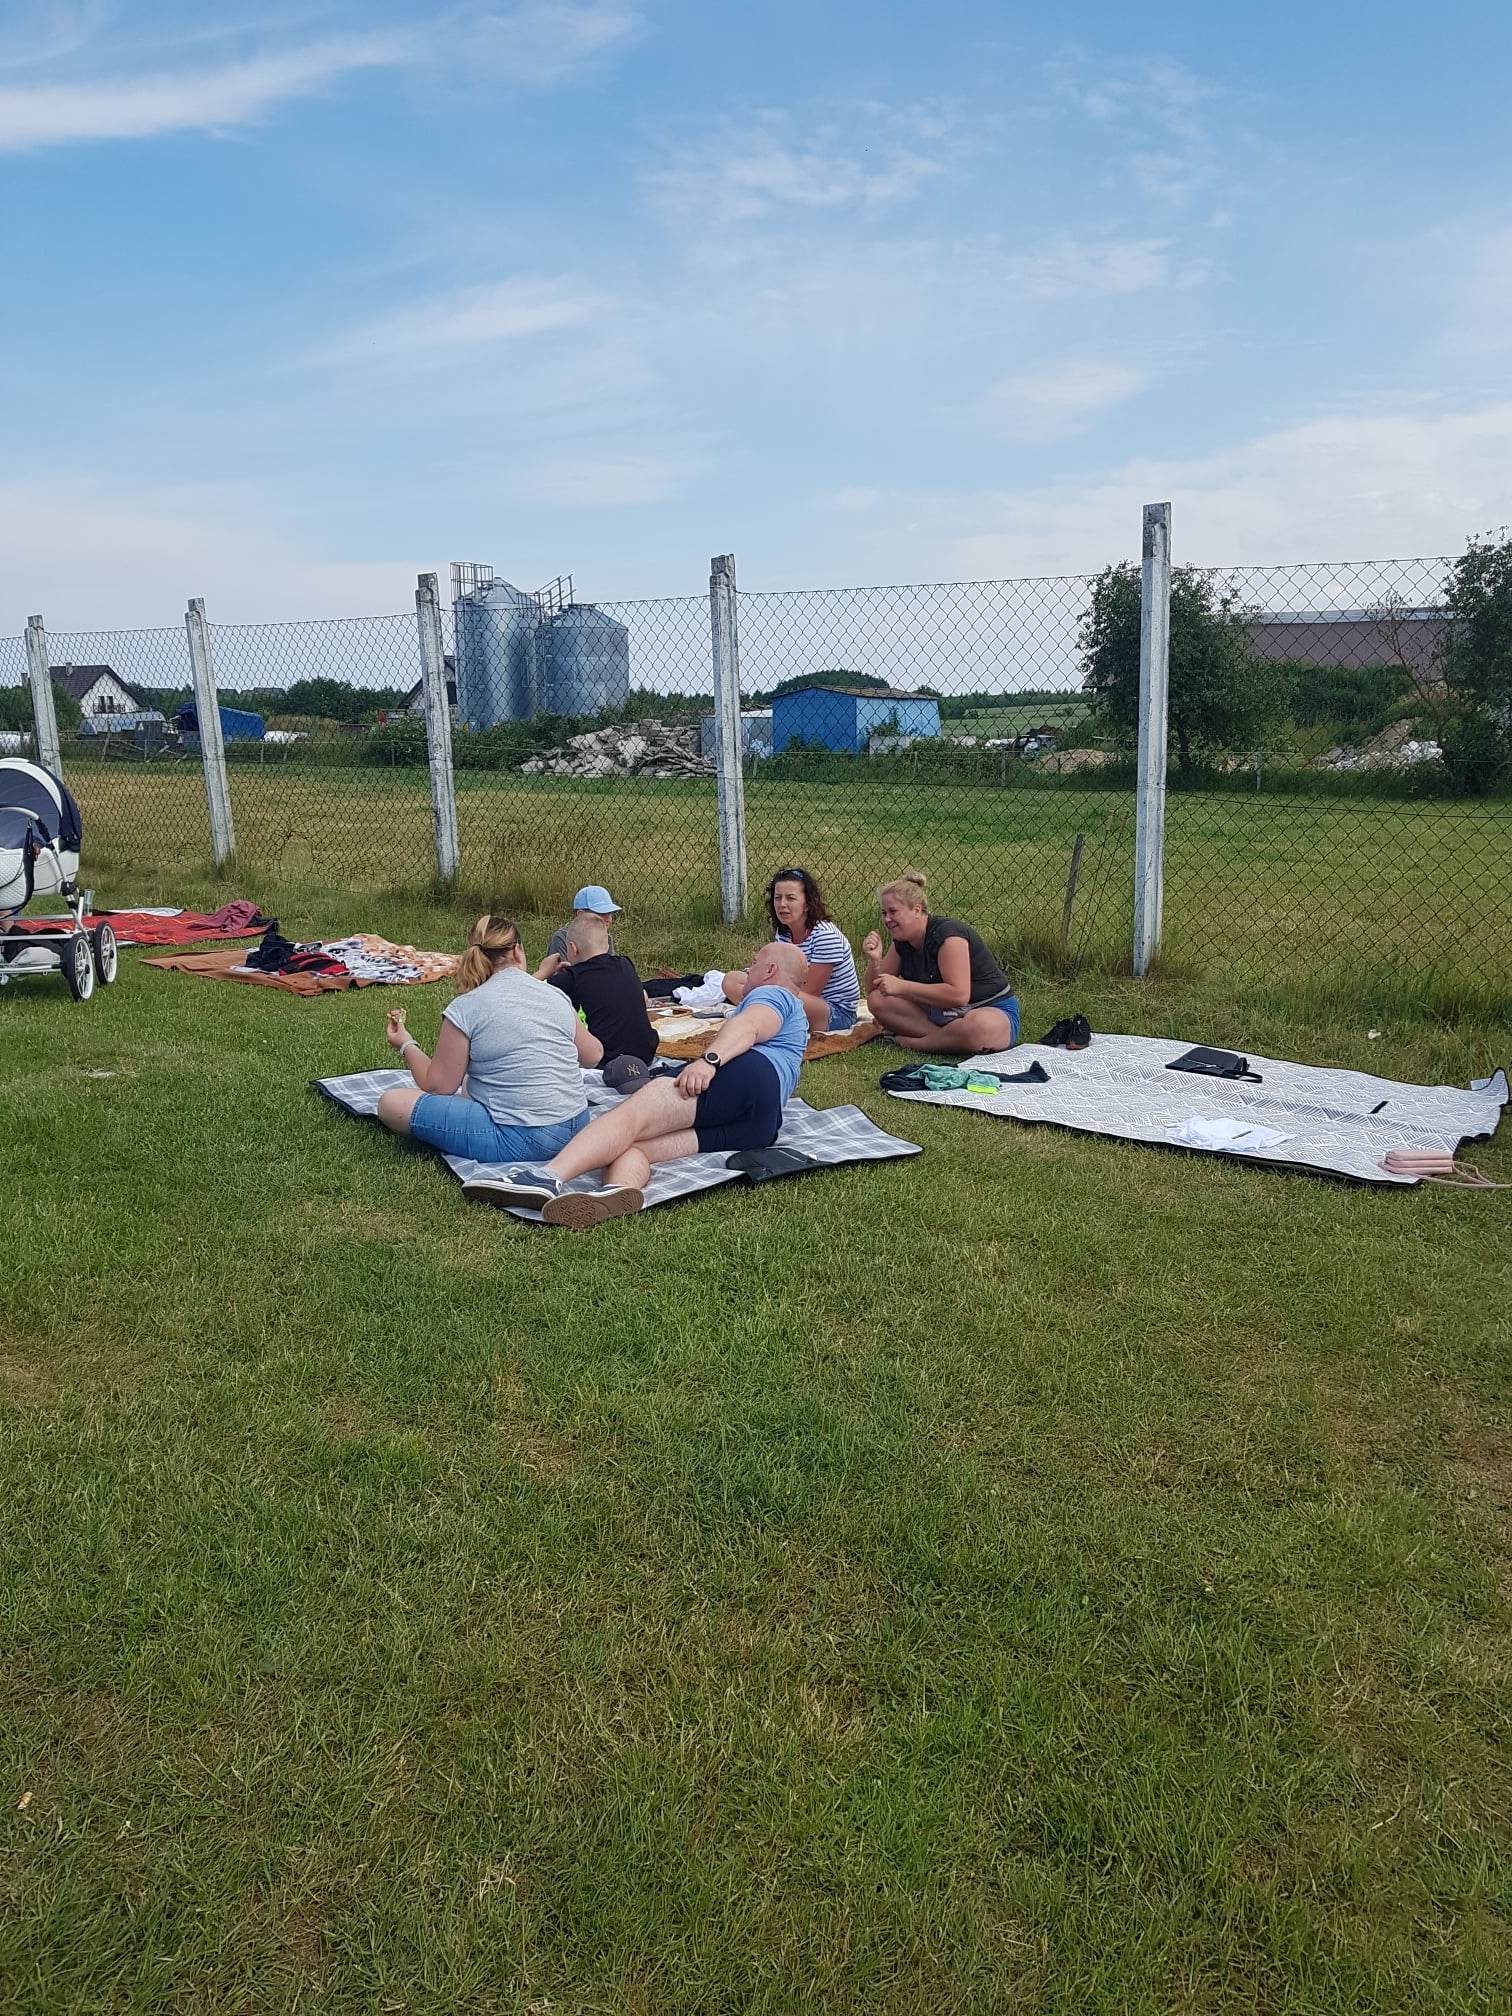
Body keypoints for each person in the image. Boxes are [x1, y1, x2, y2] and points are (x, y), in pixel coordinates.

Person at [474, 941, 811, 1227]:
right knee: (632, 1146)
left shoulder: (773, 994)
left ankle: (545, 1178)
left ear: (770, 970)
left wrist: (709, 1061)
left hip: (745, 1075)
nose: (748, 969)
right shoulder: (796, 1014)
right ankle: (619, 1191)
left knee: (630, 1118)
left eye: (754, 963)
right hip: (761, 1124)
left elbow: (750, 1026)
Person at [377, 914, 603, 1161]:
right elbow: (593, 1055)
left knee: (392, 1103)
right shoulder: (554, 995)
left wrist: (406, 1044)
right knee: (470, 1086)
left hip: (521, 1138)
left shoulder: (467, 1007)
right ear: (517, 951)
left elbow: (438, 1086)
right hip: (577, 1127)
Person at [862, 869, 1019, 1054]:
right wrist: (875, 961)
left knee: (979, 1027)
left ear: (917, 910)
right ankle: (947, 1038)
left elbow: (958, 995)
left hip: (986, 1008)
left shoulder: (948, 935)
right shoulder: (901, 941)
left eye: (893, 912)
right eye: (884, 913)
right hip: (939, 1013)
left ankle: (916, 1043)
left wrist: (902, 987)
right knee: (877, 1000)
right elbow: (875, 990)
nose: (887, 919)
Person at [721, 866, 860, 1037]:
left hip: (833, 1012)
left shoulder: (826, 937)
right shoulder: (784, 932)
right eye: (777, 898)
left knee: (771, 992)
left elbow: (810, 991)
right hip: (788, 994)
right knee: (730, 980)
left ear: (807, 904)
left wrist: (763, 985)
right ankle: (764, 1011)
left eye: (791, 898)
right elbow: (778, 975)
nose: (782, 905)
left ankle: (759, 1012)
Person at [546, 910, 658, 1069]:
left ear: (573, 948)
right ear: (607, 945)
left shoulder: (571, 978)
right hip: (646, 1054)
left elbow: (536, 1002)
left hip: (606, 1061)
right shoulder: (625, 963)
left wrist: (545, 972)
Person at [535, 884, 621, 978]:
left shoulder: (606, 938)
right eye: (601, 913)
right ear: (581, 915)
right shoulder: (562, 937)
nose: (608, 919)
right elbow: (559, 976)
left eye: (610, 913)